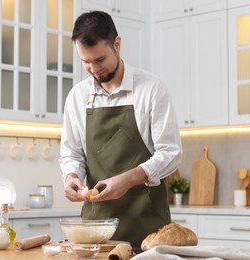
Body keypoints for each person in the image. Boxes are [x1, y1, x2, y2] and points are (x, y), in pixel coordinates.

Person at [59, 10, 182, 248]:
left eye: (100, 59)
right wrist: (71, 176)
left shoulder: (152, 89)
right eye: (85, 61)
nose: (94, 69)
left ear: (117, 44)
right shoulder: (78, 96)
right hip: (95, 233)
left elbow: (171, 153)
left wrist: (128, 179)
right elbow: (71, 153)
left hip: (148, 231)